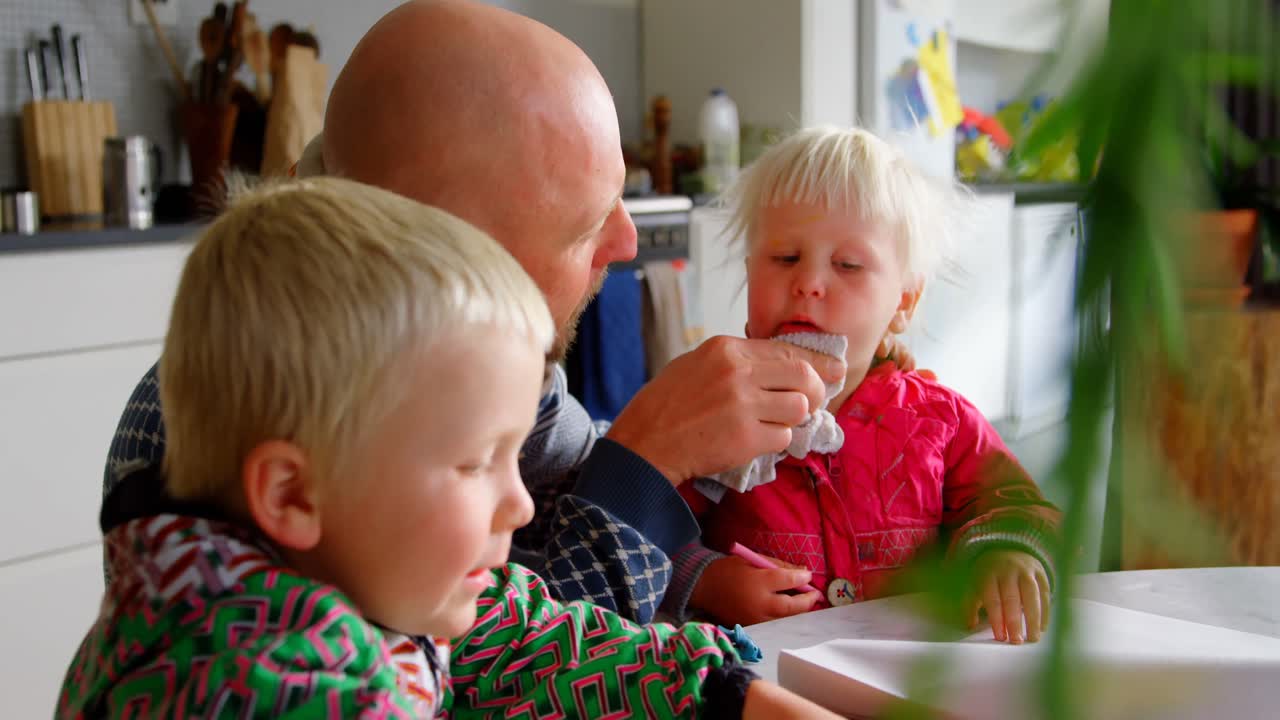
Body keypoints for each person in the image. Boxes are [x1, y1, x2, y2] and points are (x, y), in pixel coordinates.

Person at [103, 0, 884, 624]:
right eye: (586, 226)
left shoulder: (469, 350)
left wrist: (691, 495)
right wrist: (644, 460)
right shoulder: (252, 418)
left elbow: (564, 498)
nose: (625, 242)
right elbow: (498, 671)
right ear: (455, 260)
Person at [60, 178, 842, 718]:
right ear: (293, 494)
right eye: (475, 464)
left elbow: (530, 643)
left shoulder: (360, 569)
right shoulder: (278, 689)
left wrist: (723, 694)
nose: (520, 502)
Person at [680, 126, 1062, 643]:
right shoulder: (712, 411)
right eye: (785, 258)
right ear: (751, 275)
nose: (808, 283)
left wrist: (1003, 552)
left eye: (848, 265)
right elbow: (645, 535)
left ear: (903, 302)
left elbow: (1014, 506)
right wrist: (707, 579)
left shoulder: (941, 421)